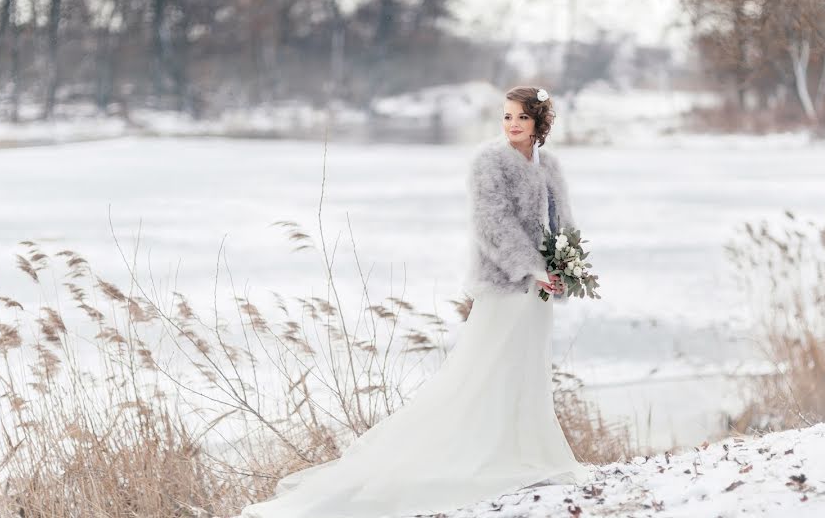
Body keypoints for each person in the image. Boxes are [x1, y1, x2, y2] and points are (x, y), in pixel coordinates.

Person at [234, 85, 594, 518]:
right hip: (506, 283)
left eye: (520, 117)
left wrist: (564, 266)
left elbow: (562, 220)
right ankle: (472, 457)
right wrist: (532, 266)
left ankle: (530, 453)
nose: (512, 124)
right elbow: (491, 223)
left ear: (539, 122)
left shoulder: (549, 165)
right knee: (486, 367)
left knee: (529, 366)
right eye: (506, 116)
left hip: (541, 287)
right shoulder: (489, 162)